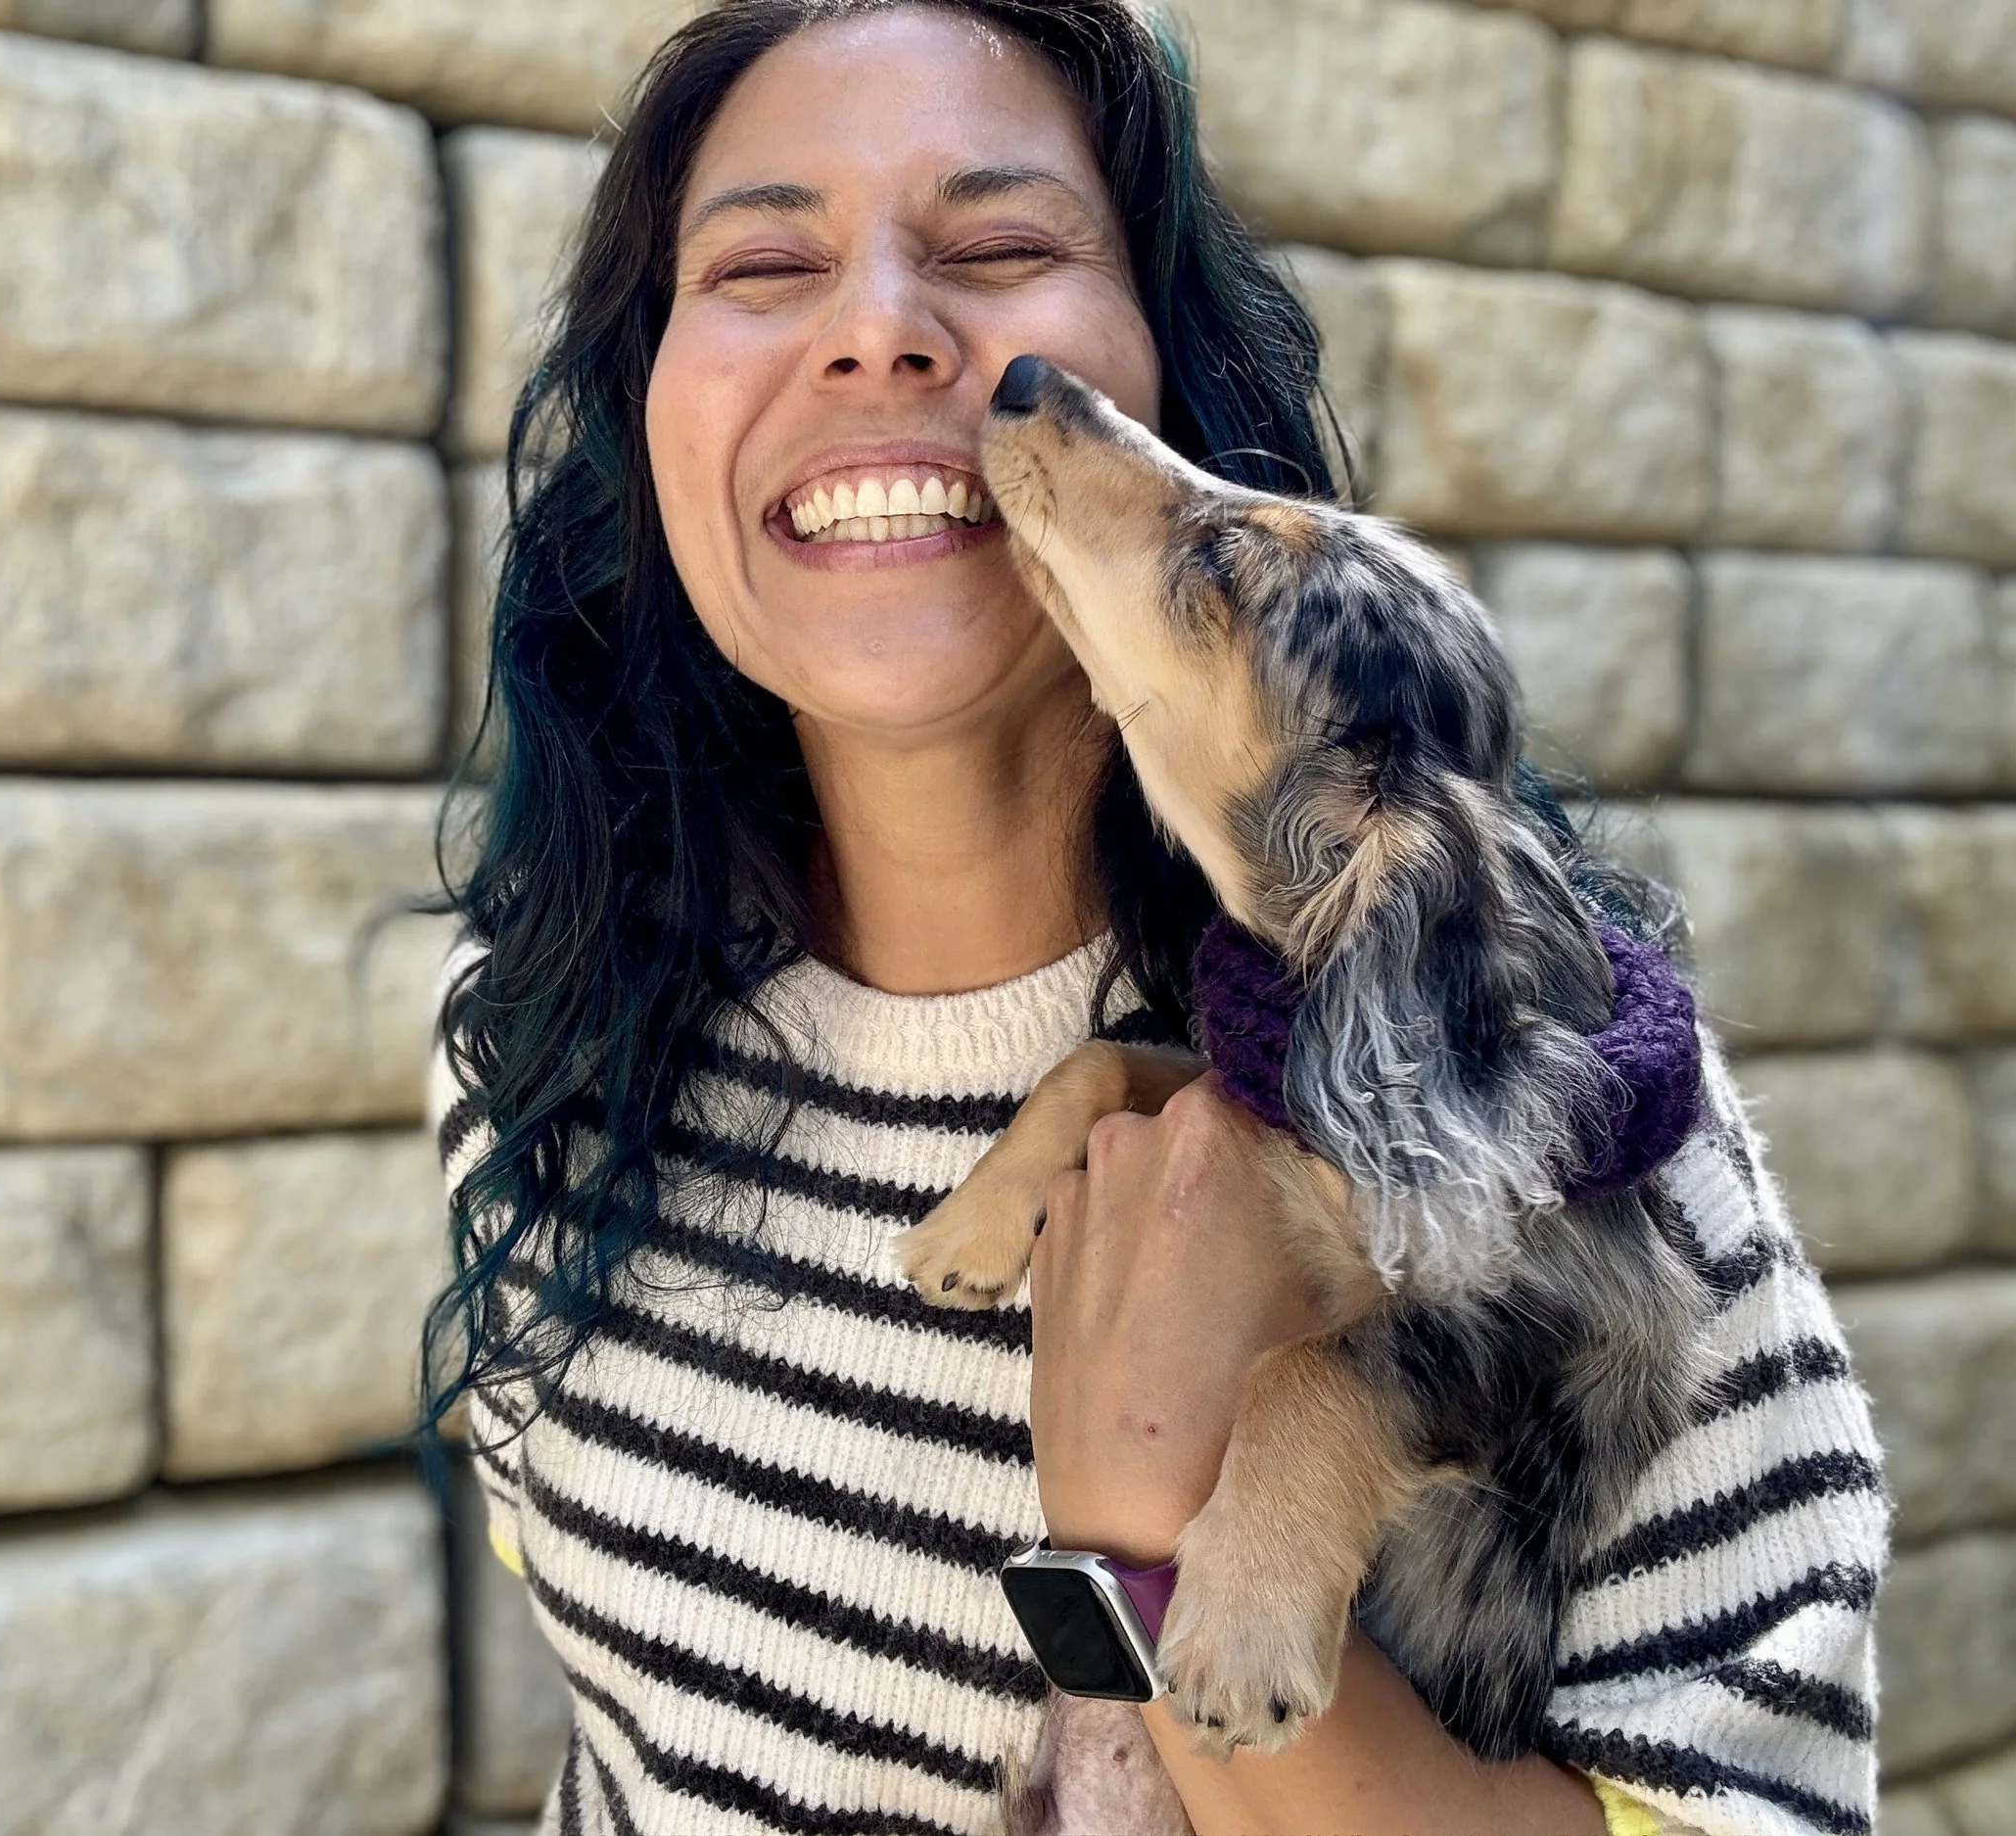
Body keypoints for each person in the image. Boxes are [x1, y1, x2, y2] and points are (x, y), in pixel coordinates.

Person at [424, 4, 1888, 1833]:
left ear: (1163, 380)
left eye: (1003, 245)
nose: (879, 325)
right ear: (648, 410)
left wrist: (1154, 1512)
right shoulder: (549, 1040)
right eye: (766, 261)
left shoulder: (1571, 1106)